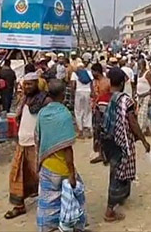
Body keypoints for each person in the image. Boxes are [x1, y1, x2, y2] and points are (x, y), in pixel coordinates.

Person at [35, 79, 86, 232]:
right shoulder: (64, 114)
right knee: (75, 196)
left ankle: (47, 228)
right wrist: (71, 172)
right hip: (62, 168)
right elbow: (67, 148)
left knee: (48, 202)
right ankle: (72, 226)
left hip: (46, 164)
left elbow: (38, 139)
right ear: (63, 94)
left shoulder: (42, 113)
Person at [101, 68, 150, 222]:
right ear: (122, 82)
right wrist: (143, 139)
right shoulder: (125, 100)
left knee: (116, 170)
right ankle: (110, 210)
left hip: (108, 139)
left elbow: (98, 122)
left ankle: (121, 197)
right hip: (121, 142)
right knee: (119, 172)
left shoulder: (105, 98)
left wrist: (98, 145)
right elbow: (132, 122)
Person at [5, 72, 49, 220]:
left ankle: (50, 207)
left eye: (30, 84)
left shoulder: (45, 100)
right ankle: (19, 206)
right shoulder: (24, 99)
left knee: (42, 175)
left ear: (37, 84)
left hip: (36, 144)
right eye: (25, 84)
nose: (27, 87)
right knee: (17, 174)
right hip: (22, 141)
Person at [90, 63, 111, 164]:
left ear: (97, 72)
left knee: (105, 132)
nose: (92, 73)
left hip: (105, 109)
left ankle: (105, 154)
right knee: (96, 131)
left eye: (93, 71)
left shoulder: (107, 82)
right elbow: (92, 95)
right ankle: (99, 153)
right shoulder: (93, 82)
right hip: (96, 109)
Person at [70, 61, 93, 138]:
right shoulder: (89, 73)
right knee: (88, 110)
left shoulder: (74, 73)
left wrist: (73, 95)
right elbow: (92, 83)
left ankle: (80, 131)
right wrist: (92, 92)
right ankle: (88, 129)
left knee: (78, 111)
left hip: (79, 92)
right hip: (88, 92)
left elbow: (73, 85)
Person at [134, 60, 151, 136]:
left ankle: (139, 132)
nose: (139, 66)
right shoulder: (140, 74)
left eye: (140, 65)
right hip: (139, 96)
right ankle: (147, 130)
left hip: (146, 96)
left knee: (141, 114)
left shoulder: (148, 74)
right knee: (142, 114)